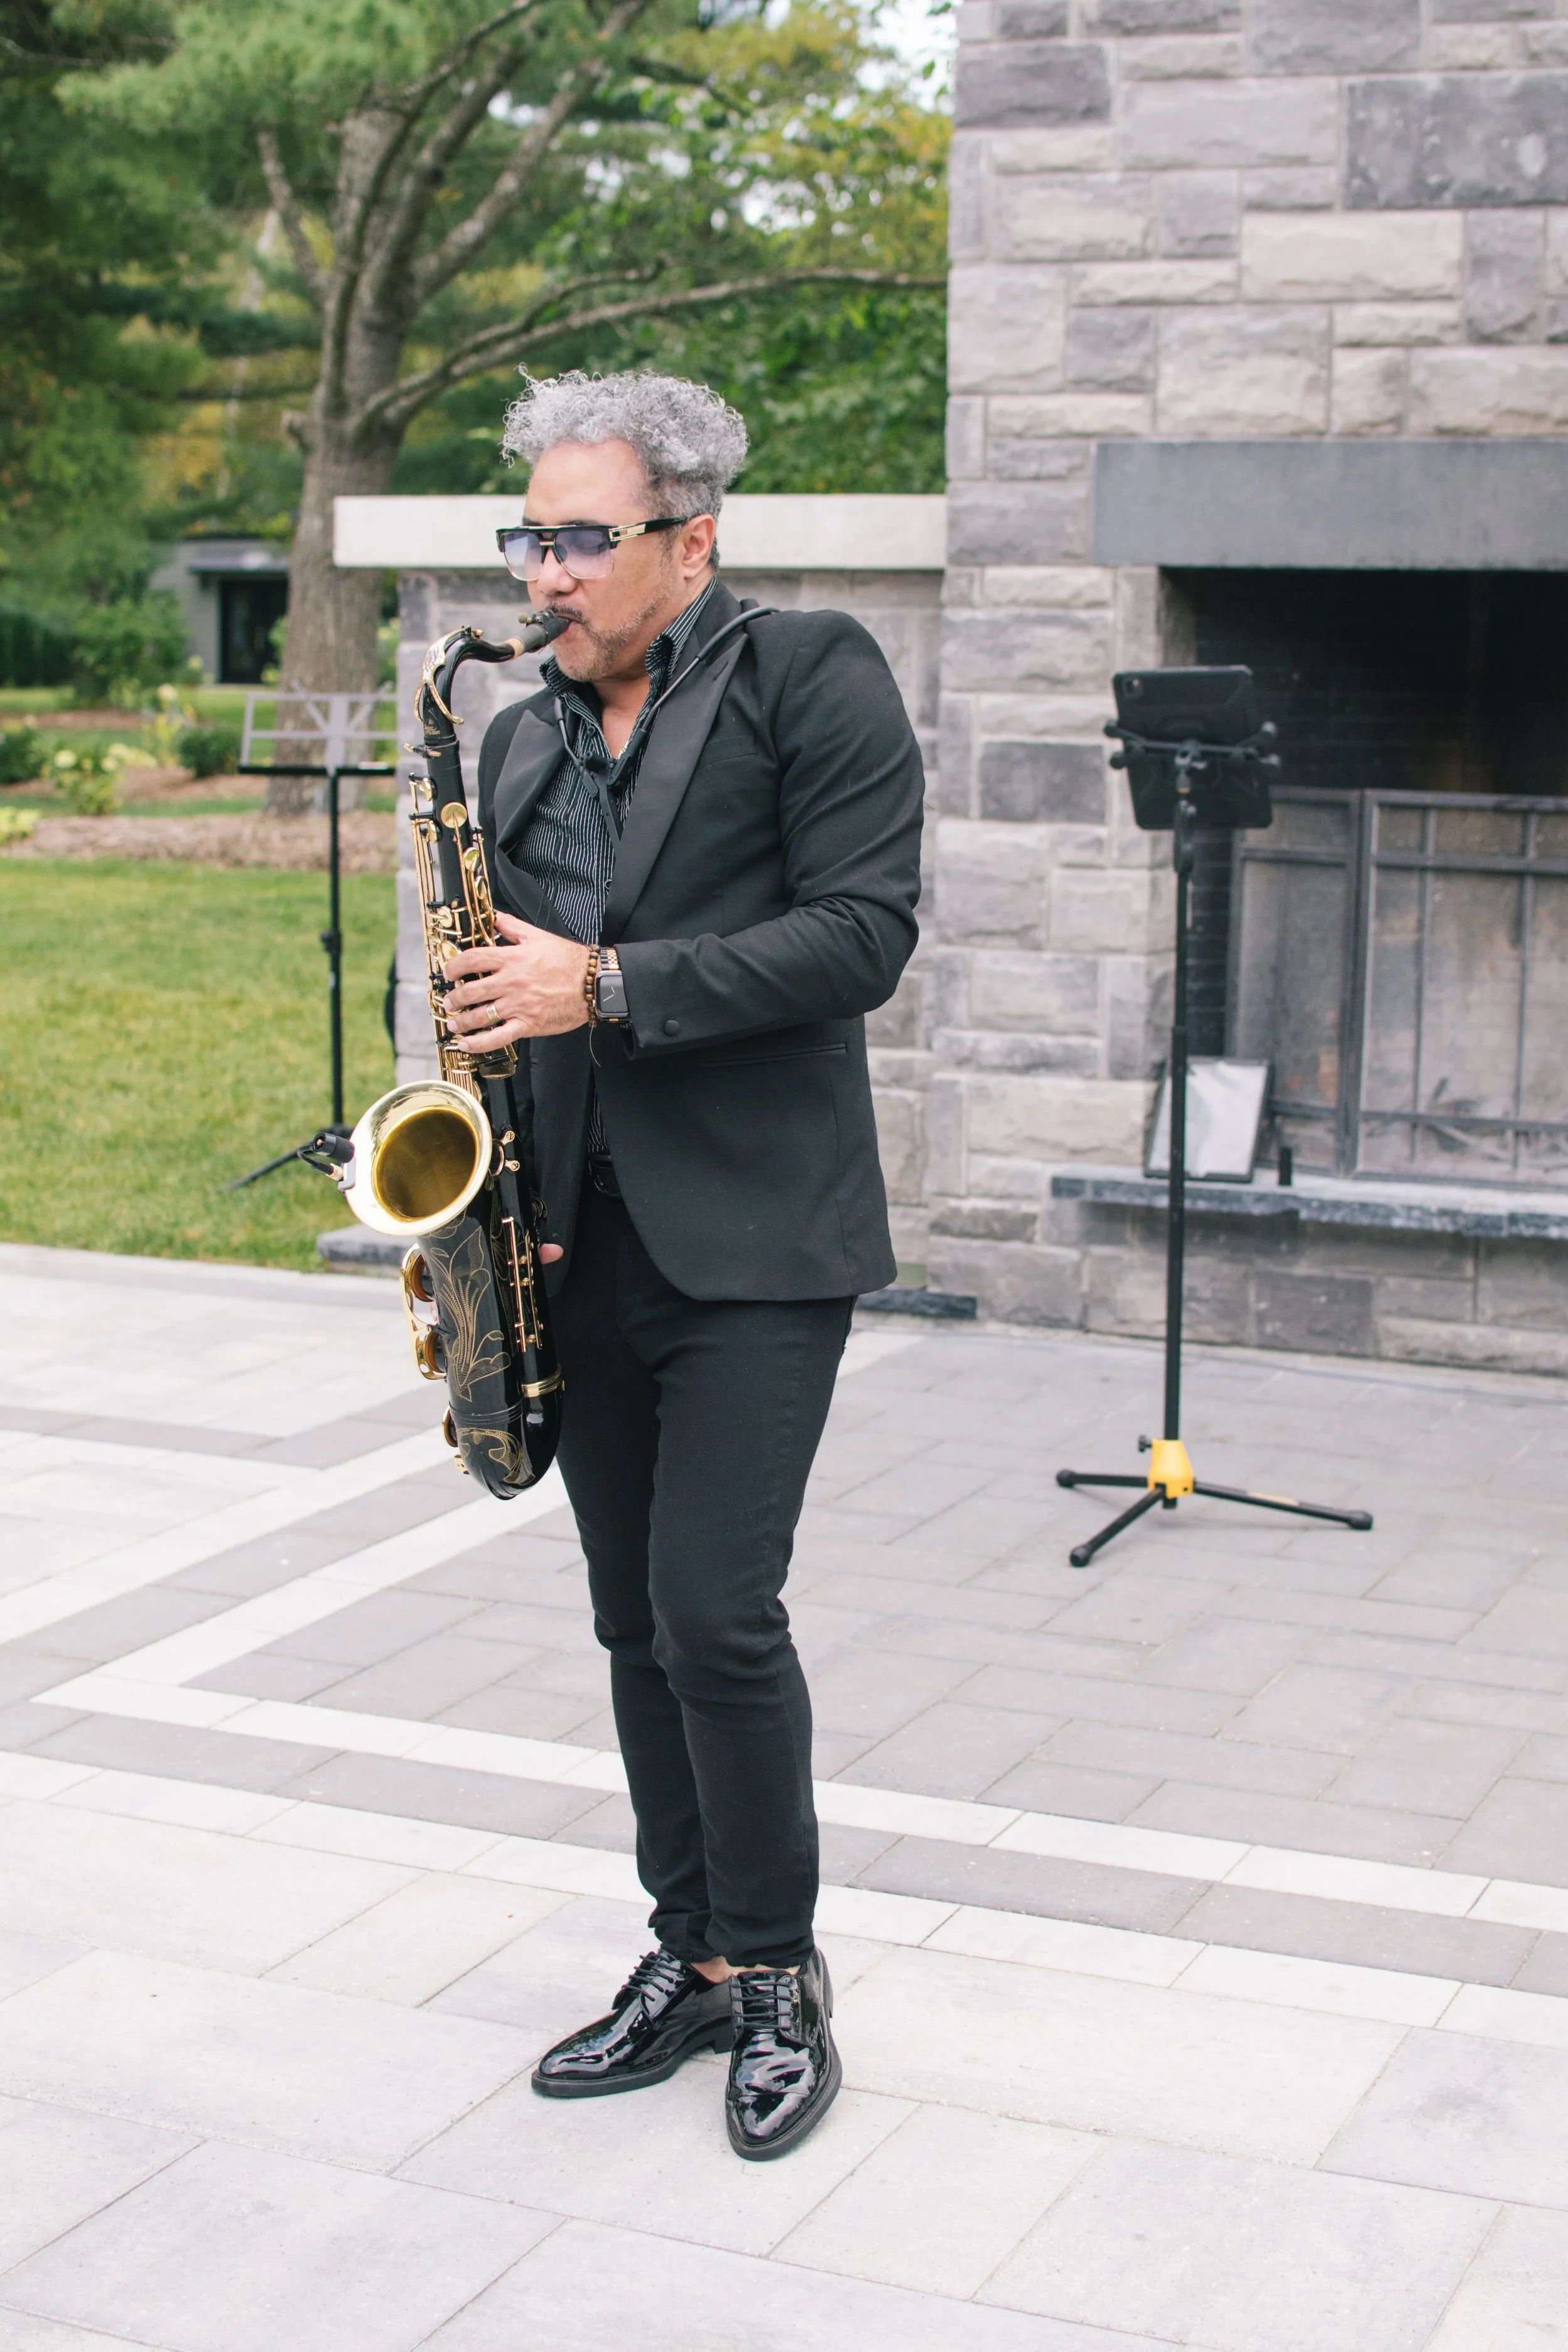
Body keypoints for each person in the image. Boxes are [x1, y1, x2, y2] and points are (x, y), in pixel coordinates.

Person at [441, 369, 923, 2161]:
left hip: (757, 1234)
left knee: (718, 1609)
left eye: (580, 537)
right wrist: (495, 1136)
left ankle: (785, 1971)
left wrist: (609, 986)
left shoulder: (811, 676)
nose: (545, 572)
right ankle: (691, 1950)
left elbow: (861, 932)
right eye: (532, 536)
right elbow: (516, 988)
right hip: (574, 1227)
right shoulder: (516, 740)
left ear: (689, 540)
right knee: (632, 1617)